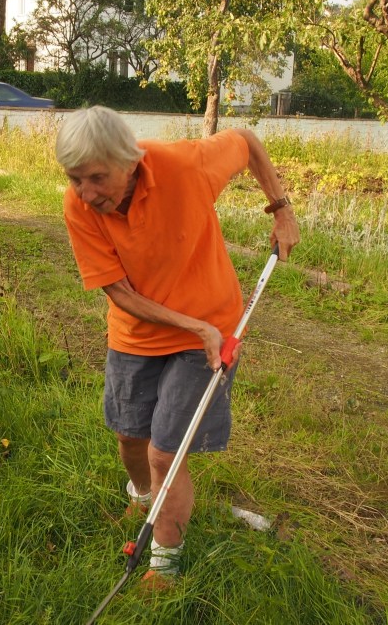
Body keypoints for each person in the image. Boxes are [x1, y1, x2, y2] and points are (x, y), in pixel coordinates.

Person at [56, 106, 300, 587]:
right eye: (75, 179)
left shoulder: (184, 165)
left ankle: (163, 567)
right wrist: (190, 324)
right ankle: (143, 498)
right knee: (130, 437)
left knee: (166, 452)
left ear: (128, 161)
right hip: (137, 332)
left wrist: (281, 207)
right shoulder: (79, 205)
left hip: (209, 331)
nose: (86, 193)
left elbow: (246, 140)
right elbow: (120, 292)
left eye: (97, 178)